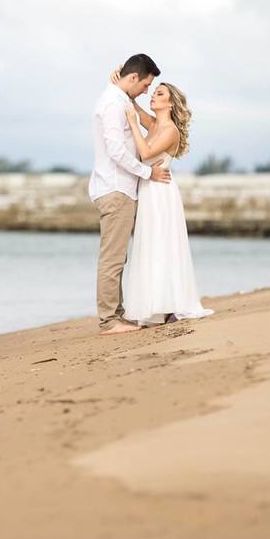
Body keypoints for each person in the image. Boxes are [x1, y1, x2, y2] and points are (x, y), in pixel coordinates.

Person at [89, 54, 171, 336]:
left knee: (117, 256)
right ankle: (109, 320)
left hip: (119, 187)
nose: (147, 91)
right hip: (116, 188)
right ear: (133, 78)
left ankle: (117, 315)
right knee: (113, 258)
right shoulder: (113, 103)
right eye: (146, 85)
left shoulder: (121, 100)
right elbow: (116, 150)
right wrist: (148, 173)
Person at [120, 79, 214, 326]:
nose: (152, 96)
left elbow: (146, 154)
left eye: (159, 93)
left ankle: (169, 304)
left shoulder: (170, 130)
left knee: (163, 244)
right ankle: (156, 305)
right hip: (149, 189)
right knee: (151, 244)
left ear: (169, 103)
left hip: (161, 193)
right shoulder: (153, 124)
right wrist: (122, 85)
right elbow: (135, 108)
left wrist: (132, 124)